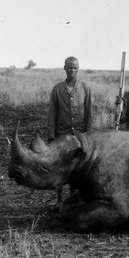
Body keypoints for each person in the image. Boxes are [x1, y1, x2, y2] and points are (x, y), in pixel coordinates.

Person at [47, 56, 92, 205]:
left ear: (78, 69)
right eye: (70, 67)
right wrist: (51, 136)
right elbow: (52, 113)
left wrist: (89, 135)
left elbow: (89, 113)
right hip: (62, 135)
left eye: (75, 68)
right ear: (65, 68)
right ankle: (59, 201)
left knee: (77, 168)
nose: (72, 70)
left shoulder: (85, 88)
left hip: (79, 136)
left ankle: (73, 200)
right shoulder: (58, 89)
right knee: (59, 167)